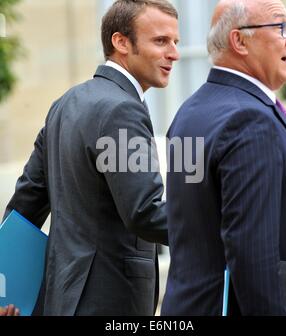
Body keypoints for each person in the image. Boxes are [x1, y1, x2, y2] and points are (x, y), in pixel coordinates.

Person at [2, 0, 179, 316]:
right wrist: (214, 225)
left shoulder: (65, 104)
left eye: (175, 42)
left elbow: (24, 207)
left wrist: (6, 292)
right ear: (121, 42)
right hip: (109, 303)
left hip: (59, 302)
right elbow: (145, 212)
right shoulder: (123, 110)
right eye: (161, 41)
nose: (174, 53)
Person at [161, 0, 286, 316]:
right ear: (240, 41)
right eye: (280, 27)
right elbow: (252, 255)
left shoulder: (188, 113)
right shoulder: (250, 119)